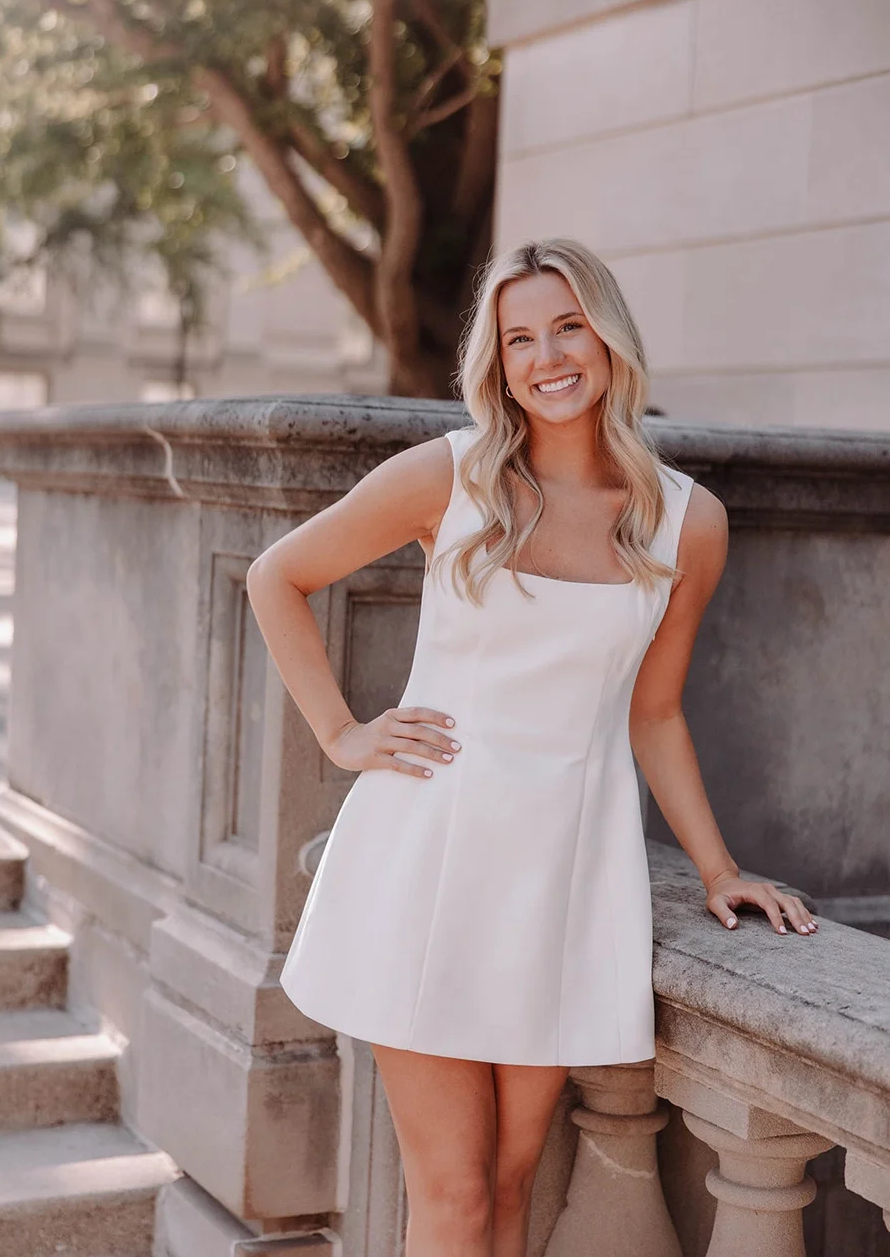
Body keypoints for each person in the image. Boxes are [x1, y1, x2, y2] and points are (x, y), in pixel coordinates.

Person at [246, 238, 819, 1257]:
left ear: (609, 340)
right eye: (519, 338)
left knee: (512, 1189)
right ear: (497, 362)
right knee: (456, 1199)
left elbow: (654, 712)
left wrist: (720, 869)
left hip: (564, 878)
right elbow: (275, 577)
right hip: (428, 858)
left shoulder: (687, 524)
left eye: (569, 326)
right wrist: (342, 733)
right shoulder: (448, 477)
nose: (548, 355)